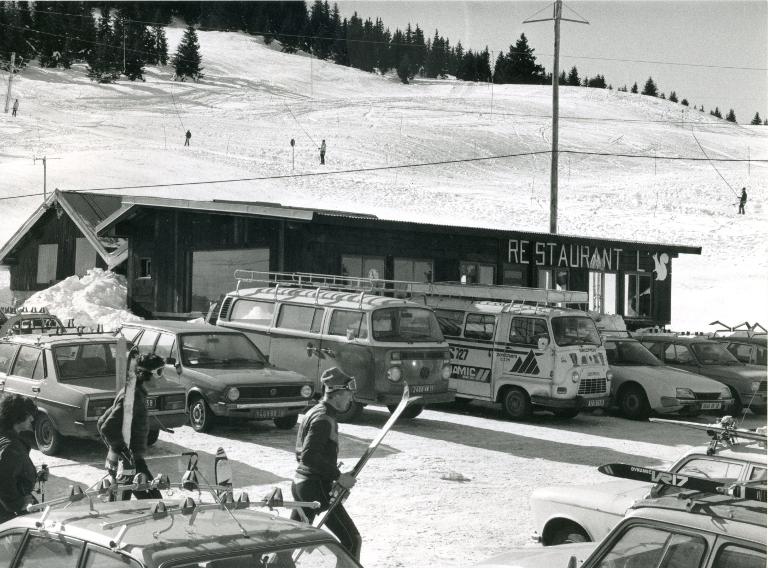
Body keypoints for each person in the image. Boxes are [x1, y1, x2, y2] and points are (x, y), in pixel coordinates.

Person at [290, 367, 362, 561]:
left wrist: (333, 473)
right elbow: (309, 456)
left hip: (302, 484)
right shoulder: (323, 418)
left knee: (291, 543)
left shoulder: (316, 411)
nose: (350, 399)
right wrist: (338, 477)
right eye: (348, 394)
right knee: (352, 540)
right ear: (337, 394)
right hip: (315, 488)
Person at [97, 352, 166, 500]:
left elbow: (102, 422)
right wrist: (123, 453)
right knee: (154, 503)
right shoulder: (132, 396)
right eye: (159, 372)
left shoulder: (134, 393)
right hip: (130, 464)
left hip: (129, 463)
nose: (162, 377)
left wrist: (117, 452)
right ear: (146, 374)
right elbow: (106, 427)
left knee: (122, 506)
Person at [0, 395, 38, 523]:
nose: (32, 419)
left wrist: (35, 475)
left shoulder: (5, 436)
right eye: (28, 415)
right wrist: (18, 503)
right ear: (18, 416)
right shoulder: (10, 446)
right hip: (7, 516)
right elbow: (3, 480)